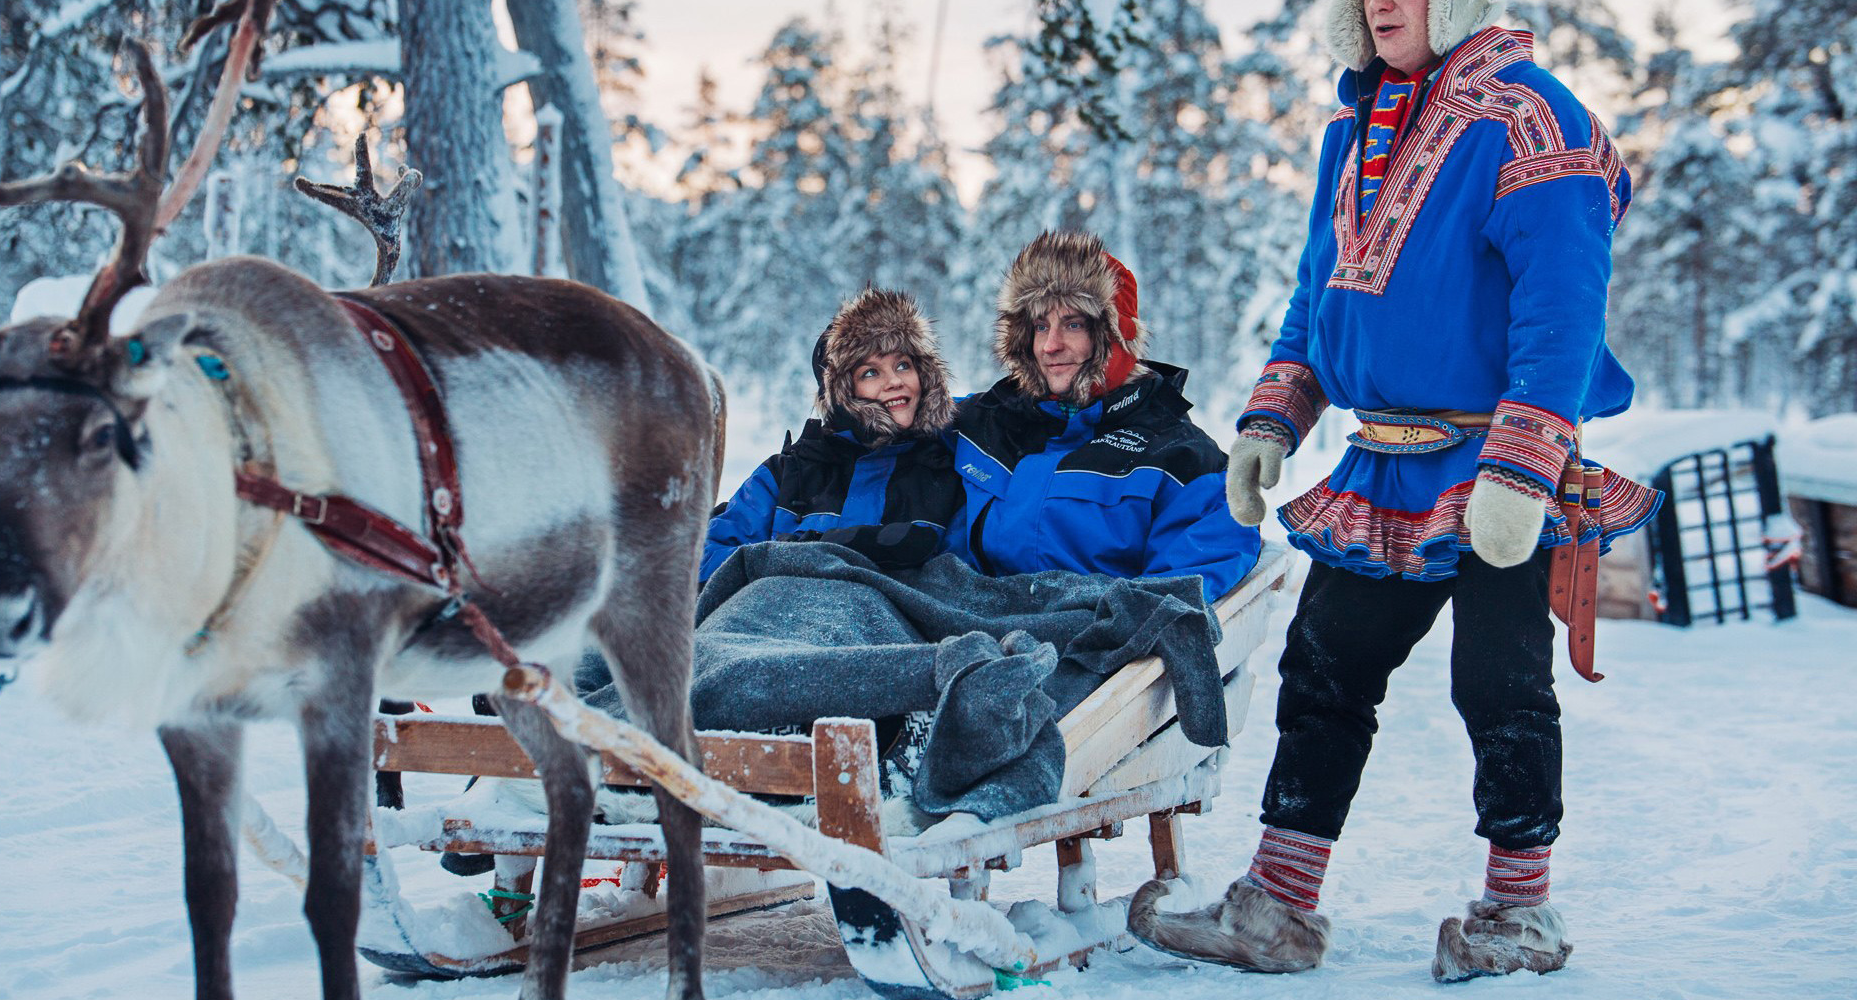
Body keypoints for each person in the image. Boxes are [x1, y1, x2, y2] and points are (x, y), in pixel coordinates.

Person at [1125, 0, 1661, 982]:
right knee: (1321, 672)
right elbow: (1317, 288)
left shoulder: (1536, 121)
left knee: (1499, 685)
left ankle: (1518, 909)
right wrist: (1271, 415)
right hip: (1379, 466)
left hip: (1496, 466)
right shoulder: (1354, 121)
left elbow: (1563, 307)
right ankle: (1275, 907)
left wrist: (1521, 466)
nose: (1380, 4)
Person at [950, 231, 1260, 597]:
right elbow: (882, 433)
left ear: (1115, 335)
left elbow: (1185, 581)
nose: (1051, 346)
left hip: (1085, 643)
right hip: (959, 627)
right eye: (1040, 326)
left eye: (1073, 324)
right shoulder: (977, 422)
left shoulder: (1180, 458)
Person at [700, 288, 963, 583]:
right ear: (840, 393)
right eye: (870, 373)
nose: (894, 381)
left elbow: (965, 582)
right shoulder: (787, 473)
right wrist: (803, 552)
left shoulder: (950, 469)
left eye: (903, 365)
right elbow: (702, 563)